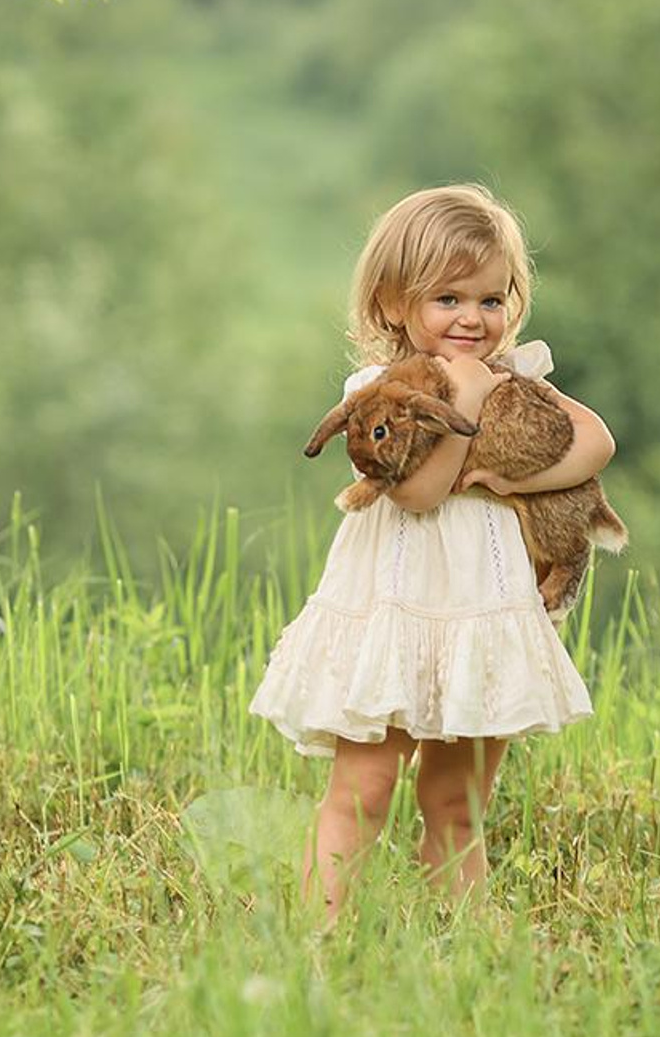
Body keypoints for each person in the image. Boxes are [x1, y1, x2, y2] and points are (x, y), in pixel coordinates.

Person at [248, 183, 616, 923]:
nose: (473, 319)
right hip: (391, 619)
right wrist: (470, 408)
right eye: (449, 299)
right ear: (393, 303)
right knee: (365, 786)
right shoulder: (374, 394)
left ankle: (464, 952)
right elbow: (417, 494)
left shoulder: (516, 380)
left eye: (491, 299)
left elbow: (597, 442)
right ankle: (320, 940)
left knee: (456, 800)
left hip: (480, 617)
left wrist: (499, 472)